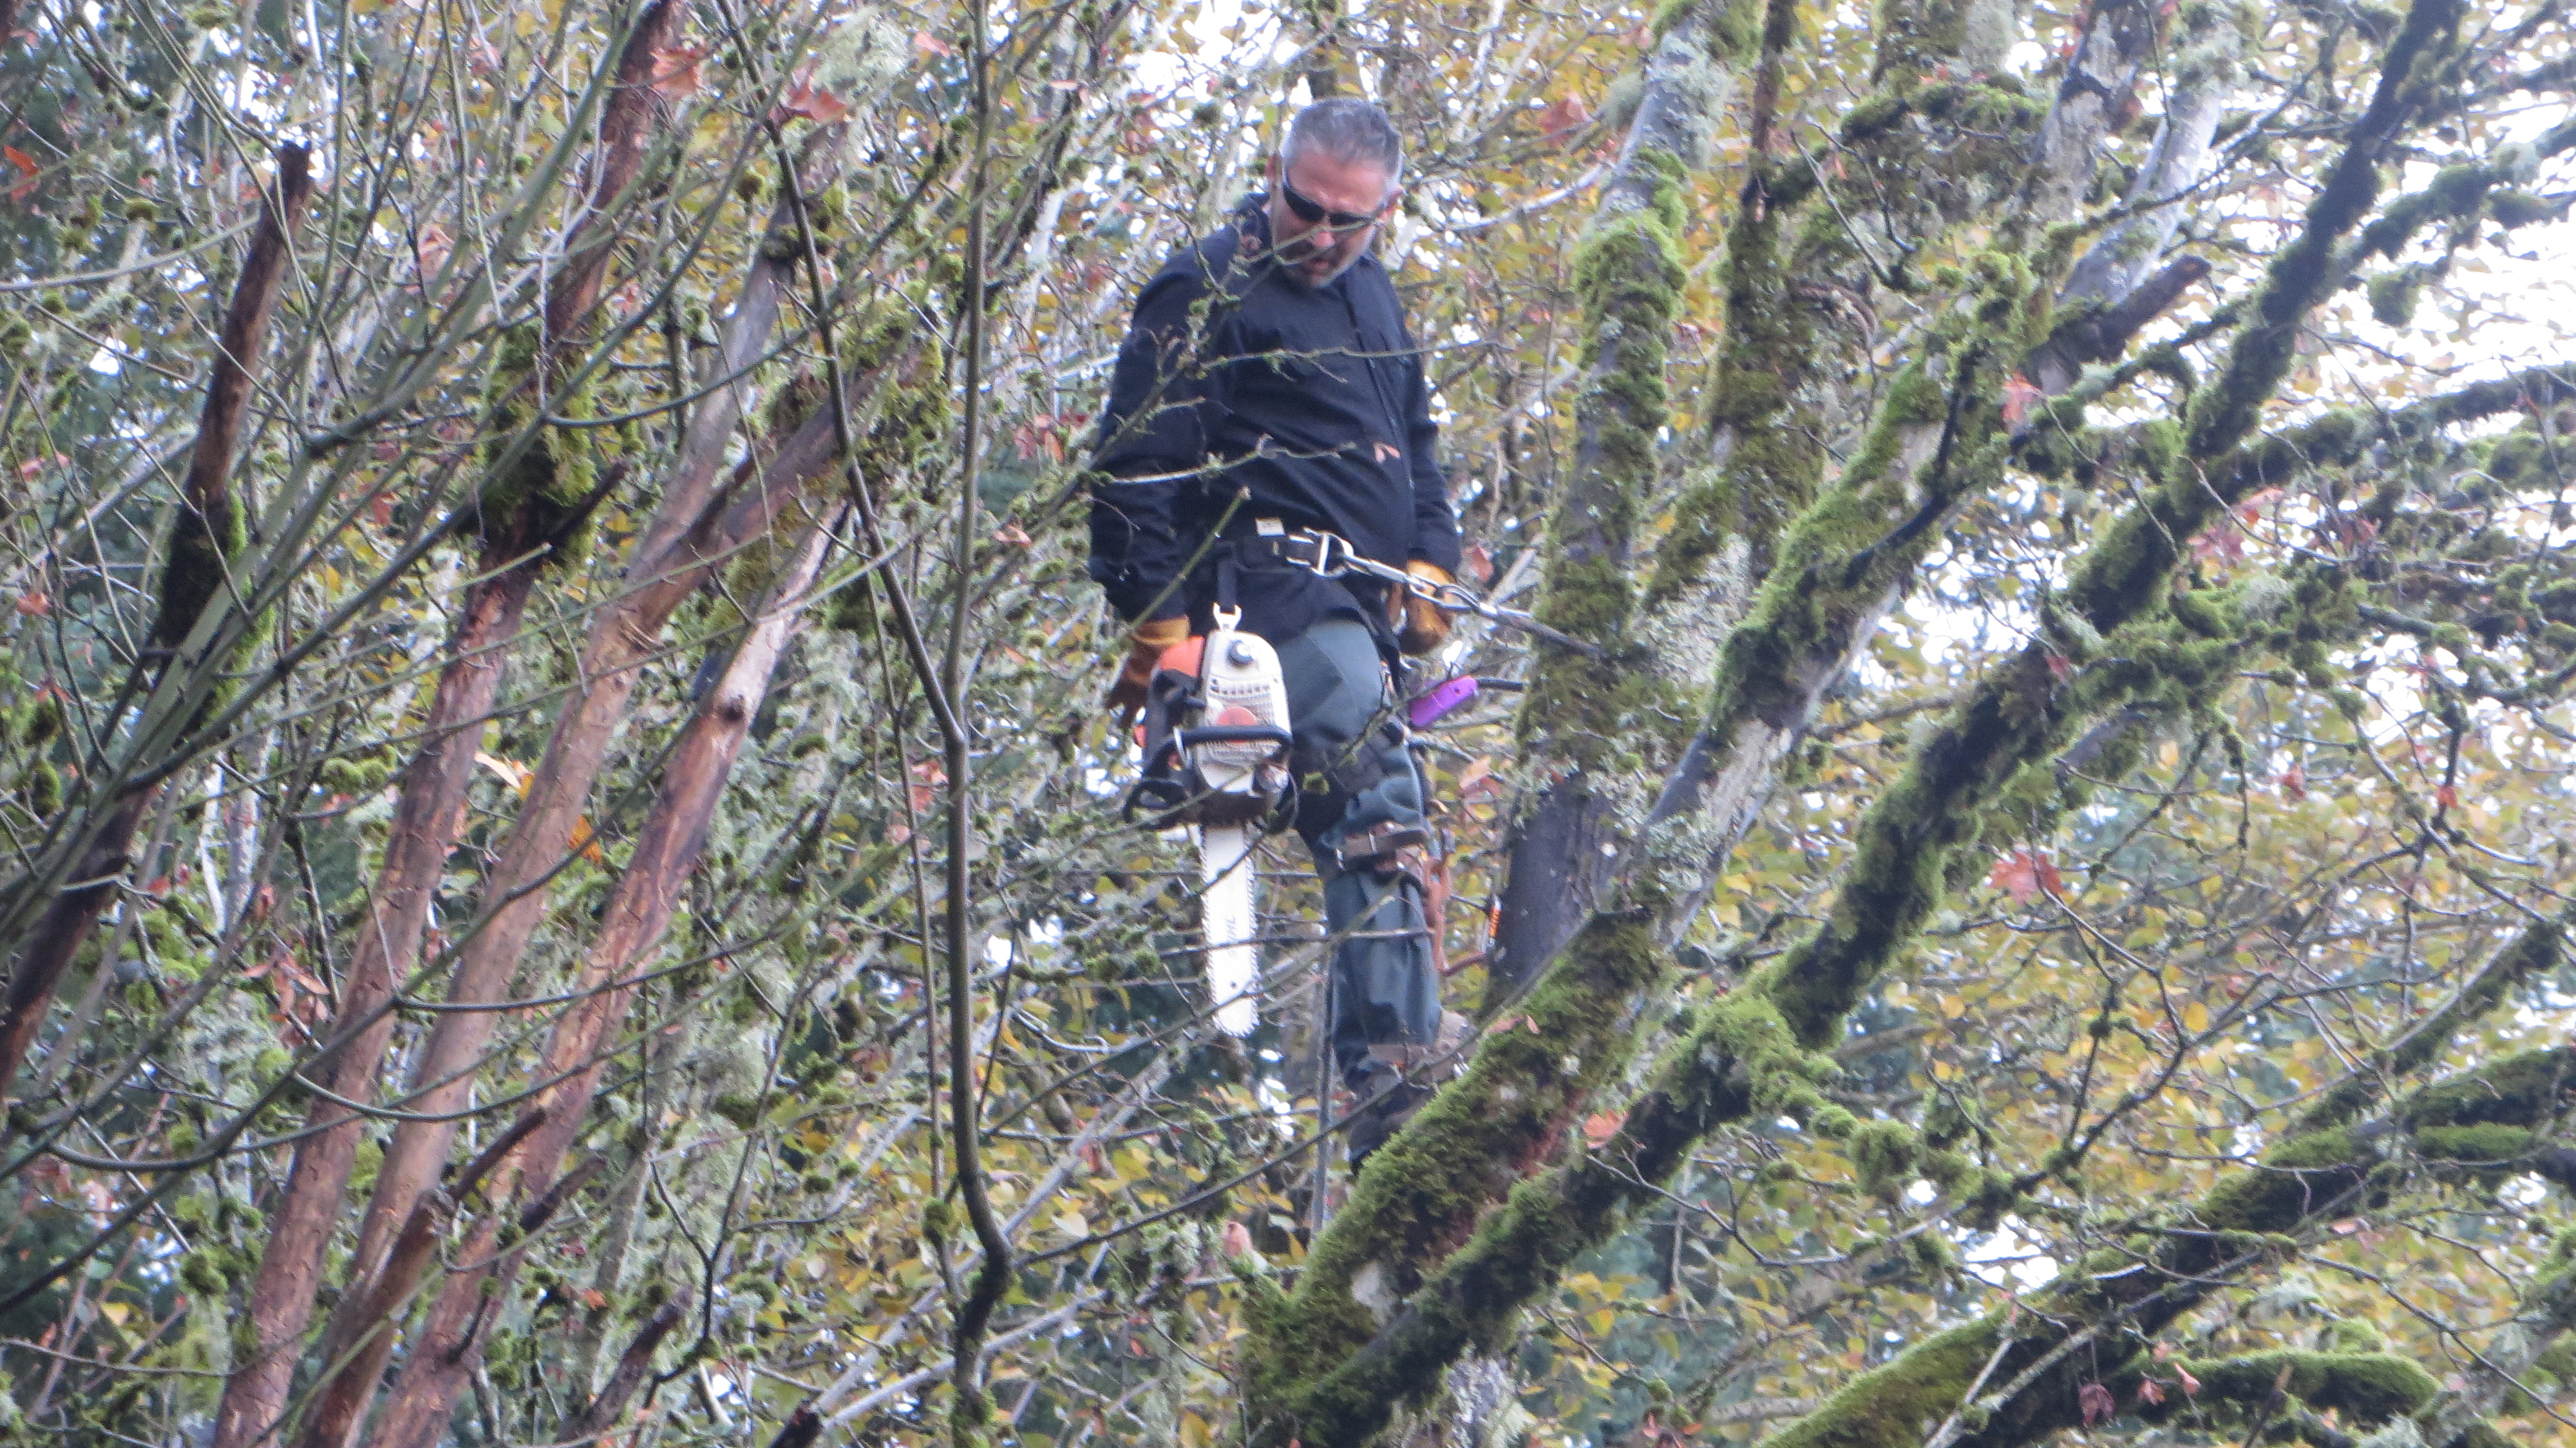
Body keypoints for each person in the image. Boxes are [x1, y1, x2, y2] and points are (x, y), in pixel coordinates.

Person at [1086, 97, 1466, 1167]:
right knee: (1376, 801)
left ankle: (1395, 1049)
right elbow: (1133, 469)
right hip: (1258, 598)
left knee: (1393, 827)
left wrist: (1431, 562)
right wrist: (1165, 629)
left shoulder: (1373, 297)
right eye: (1309, 208)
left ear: (1388, 210)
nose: (1325, 235)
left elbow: (1417, 447)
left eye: (1353, 219)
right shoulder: (1206, 285)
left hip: (1359, 611)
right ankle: (1395, 1070)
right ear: (1274, 175)